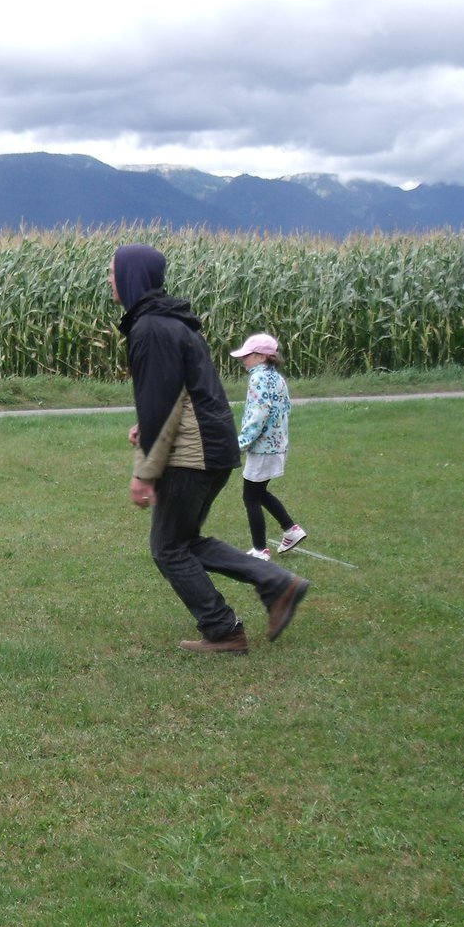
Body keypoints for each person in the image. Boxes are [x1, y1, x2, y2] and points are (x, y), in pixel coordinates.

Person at [111, 243, 309, 653]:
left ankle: (224, 628)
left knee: (168, 549)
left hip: (192, 453)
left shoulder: (151, 328)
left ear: (132, 277)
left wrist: (143, 472)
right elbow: (181, 394)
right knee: (184, 541)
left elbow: (162, 405)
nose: (110, 281)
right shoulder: (172, 323)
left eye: (113, 273)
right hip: (212, 447)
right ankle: (274, 584)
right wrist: (144, 424)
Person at [232, 332, 306, 560]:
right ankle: (291, 529)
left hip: (263, 448)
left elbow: (258, 416)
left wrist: (240, 444)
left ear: (262, 357)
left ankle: (259, 550)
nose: (243, 359)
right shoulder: (277, 378)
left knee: (250, 496)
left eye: (248, 355)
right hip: (276, 446)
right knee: (259, 492)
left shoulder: (259, 379)